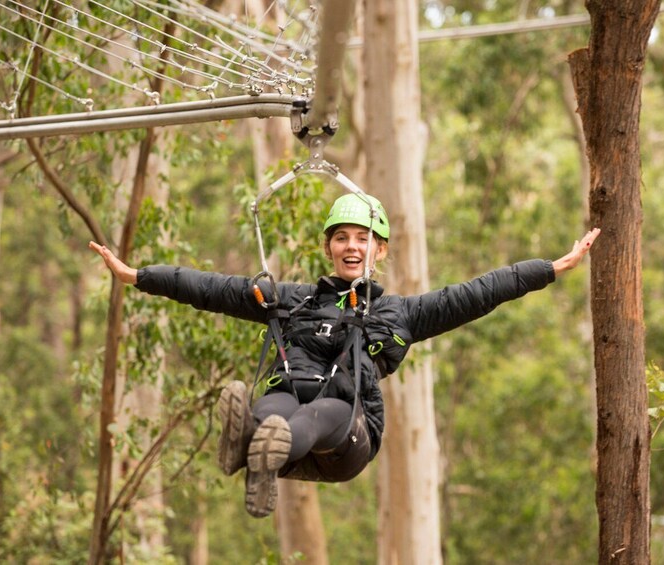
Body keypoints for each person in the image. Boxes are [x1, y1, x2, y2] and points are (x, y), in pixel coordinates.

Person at [90, 193, 600, 518]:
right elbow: (212, 288)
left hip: (348, 432)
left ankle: (260, 446)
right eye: (341, 238)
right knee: (276, 406)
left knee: (318, 411)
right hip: (290, 404)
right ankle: (254, 444)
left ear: (379, 250)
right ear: (329, 247)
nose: (351, 246)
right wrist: (139, 277)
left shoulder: (402, 314)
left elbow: (480, 291)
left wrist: (552, 268)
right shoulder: (292, 300)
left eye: (362, 239)